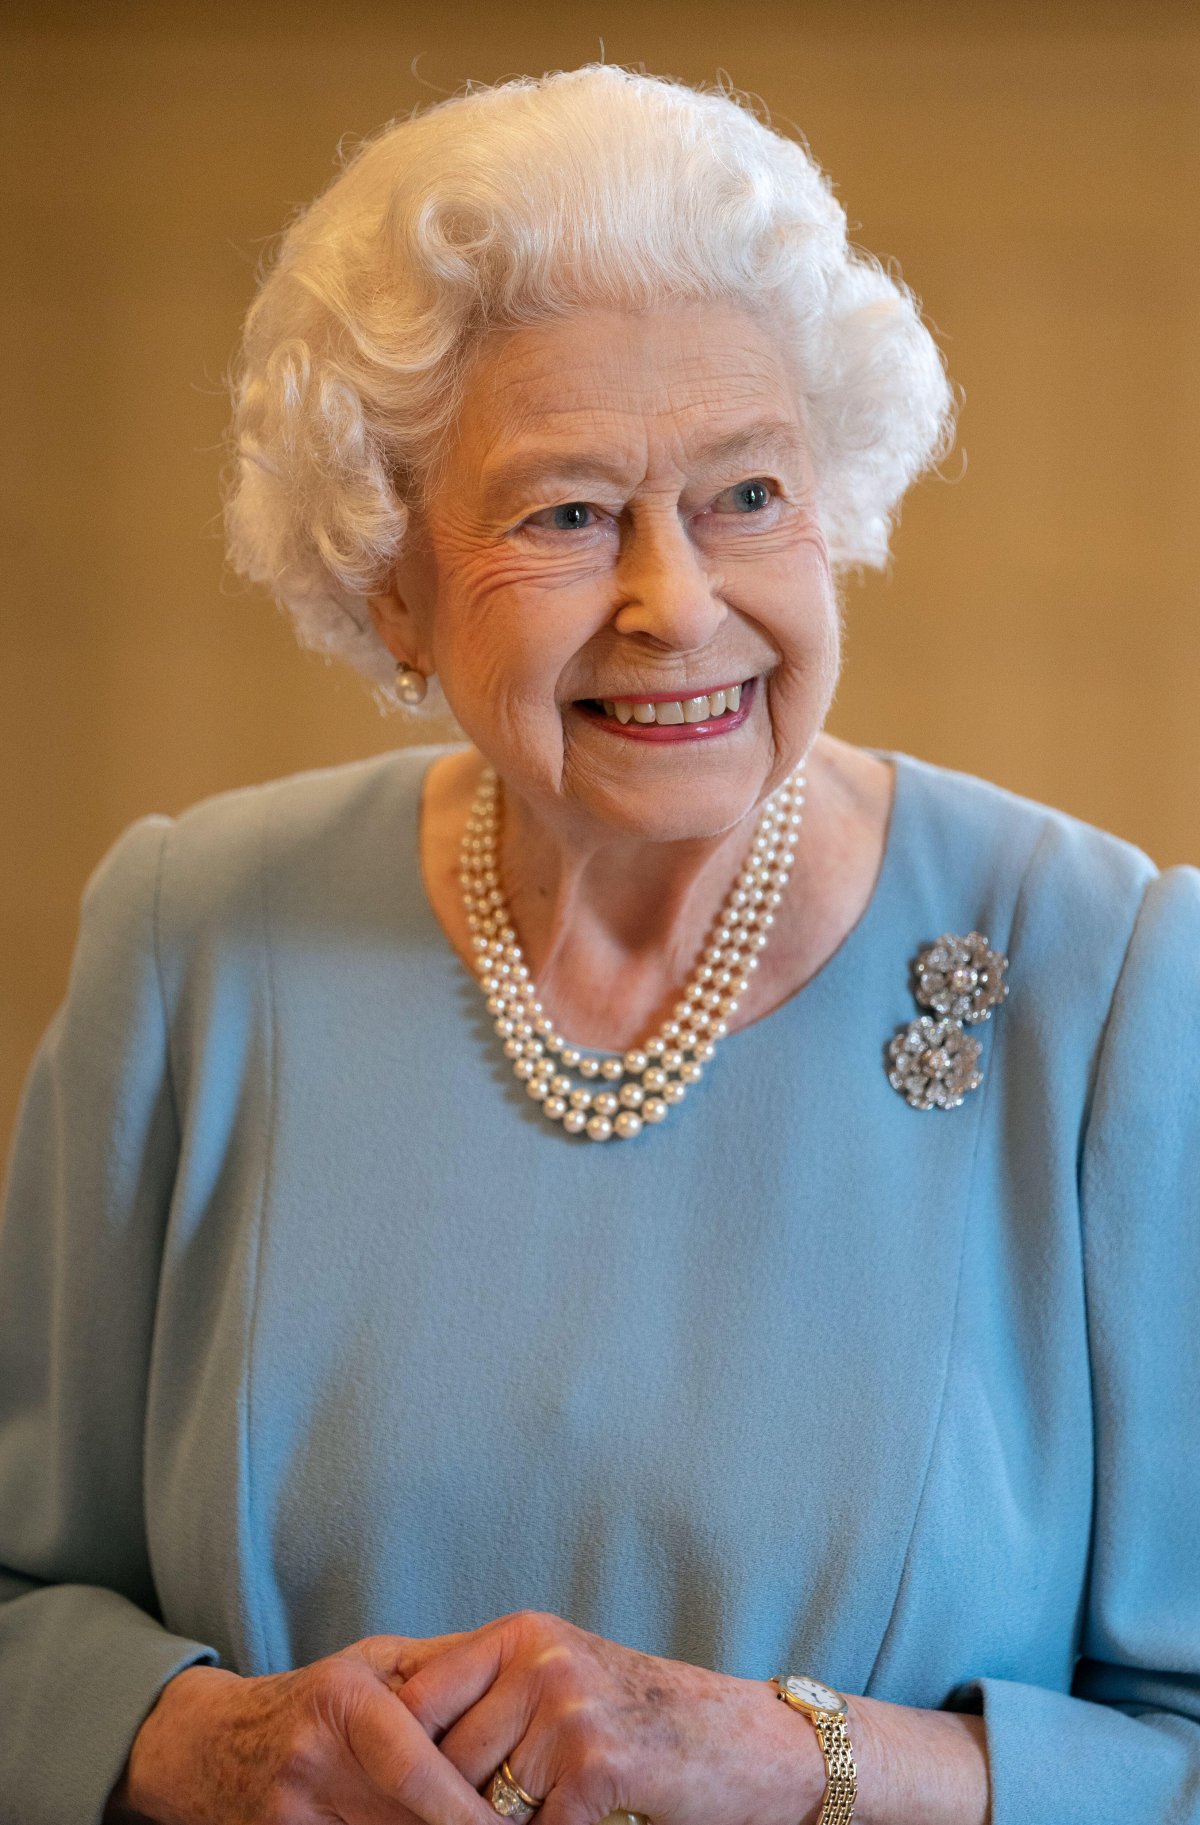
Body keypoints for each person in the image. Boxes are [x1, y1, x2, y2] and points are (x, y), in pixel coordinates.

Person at [0, 62, 1196, 1825]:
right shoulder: (195, 935)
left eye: (747, 495)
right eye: (567, 512)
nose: (676, 600)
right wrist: (202, 1742)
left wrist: (802, 1760)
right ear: (388, 577)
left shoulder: (1107, 976)